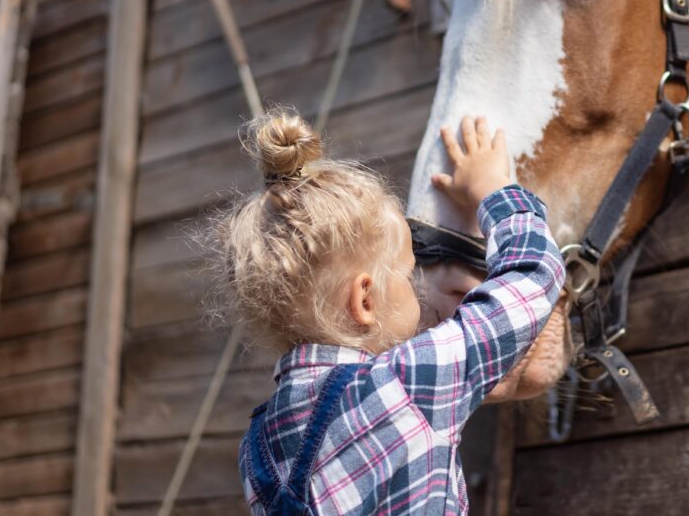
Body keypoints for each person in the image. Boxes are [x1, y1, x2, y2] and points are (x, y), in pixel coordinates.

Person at [204, 107, 564, 515]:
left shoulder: (257, 444)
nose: (419, 290)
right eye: (409, 274)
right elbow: (533, 276)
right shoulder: (407, 383)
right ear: (365, 301)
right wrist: (494, 189)